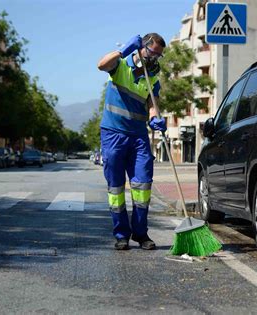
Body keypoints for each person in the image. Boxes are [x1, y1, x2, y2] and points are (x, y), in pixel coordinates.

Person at [97, 33, 167, 250]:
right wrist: (123, 50)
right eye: (152, 52)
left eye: (159, 55)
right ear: (142, 47)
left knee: (143, 184)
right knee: (116, 187)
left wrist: (156, 118)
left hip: (138, 136)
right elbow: (101, 65)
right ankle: (121, 235)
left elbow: (151, 103)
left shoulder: (153, 76)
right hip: (113, 134)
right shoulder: (121, 66)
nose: (154, 58)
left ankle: (141, 233)